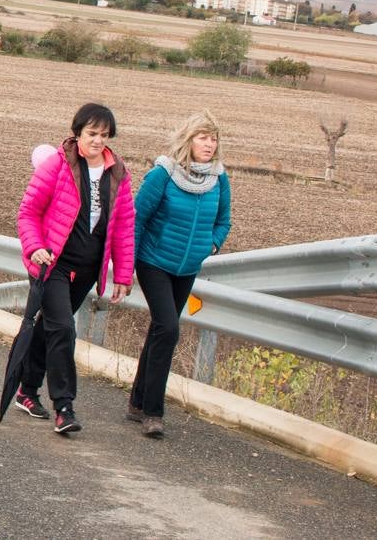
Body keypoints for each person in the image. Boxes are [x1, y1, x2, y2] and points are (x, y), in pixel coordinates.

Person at [15, 103, 136, 434]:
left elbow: (125, 226)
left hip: (87, 267)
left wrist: (123, 274)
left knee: (49, 329)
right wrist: (35, 246)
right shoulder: (57, 165)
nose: (98, 141)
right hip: (50, 262)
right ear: (77, 133)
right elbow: (27, 212)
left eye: (104, 135)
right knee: (64, 328)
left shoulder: (117, 173)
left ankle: (26, 389)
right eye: (91, 134)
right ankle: (64, 407)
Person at [129, 111, 231, 438]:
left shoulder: (219, 178)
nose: (209, 144)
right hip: (154, 261)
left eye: (213, 138)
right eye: (202, 137)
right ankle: (152, 413)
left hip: (188, 267)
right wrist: (129, 262)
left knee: (161, 330)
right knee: (169, 328)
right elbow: (137, 218)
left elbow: (224, 220)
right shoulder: (164, 174)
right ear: (189, 140)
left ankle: (136, 402)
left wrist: (211, 245)